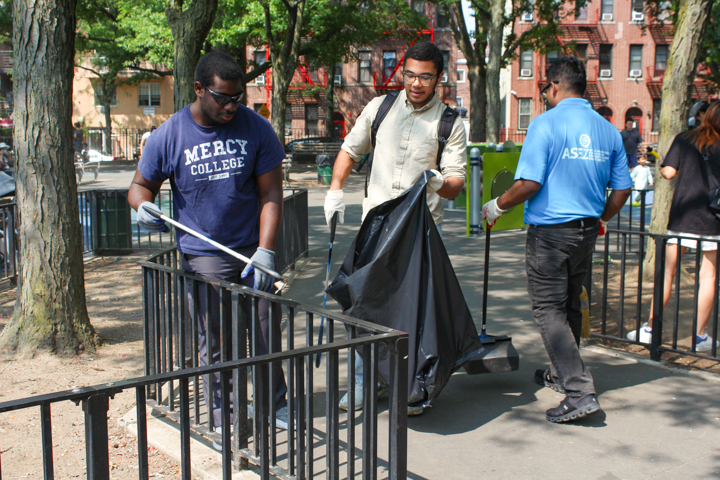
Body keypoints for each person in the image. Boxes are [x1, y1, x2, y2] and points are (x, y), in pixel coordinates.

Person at [127, 51, 289, 437]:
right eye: (223, 98)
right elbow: (139, 186)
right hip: (204, 255)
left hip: (252, 249)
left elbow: (271, 193)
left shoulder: (257, 128)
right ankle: (224, 414)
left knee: (267, 330)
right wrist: (143, 206)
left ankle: (275, 405)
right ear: (199, 89)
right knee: (216, 338)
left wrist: (265, 251)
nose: (232, 106)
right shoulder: (171, 134)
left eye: (238, 98)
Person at [482, 56, 632, 423]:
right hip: (585, 232)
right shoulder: (608, 130)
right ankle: (562, 374)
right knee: (569, 306)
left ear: (553, 86)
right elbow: (623, 188)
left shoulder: (545, 124)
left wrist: (497, 205)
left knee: (549, 310)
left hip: (551, 234)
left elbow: (530, 183)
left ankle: (579, 392)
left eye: (545, 89)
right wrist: (602, 218)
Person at [323, 41, 467, 416]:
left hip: (419, 234)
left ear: (439, 79)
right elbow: (350, 150)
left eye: (425, 77)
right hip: (376, 226)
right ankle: (362, 384)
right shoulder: (380, 107)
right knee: (362, 307)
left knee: (413, 313)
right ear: (402, 72)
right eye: (410, 74)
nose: (416, 83)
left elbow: (456, 182)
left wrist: (437, 182)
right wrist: (336, 190)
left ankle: (410, 387)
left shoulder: (450, 123)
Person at [627, 101, 720, 352]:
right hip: (714, 219)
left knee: (667, 273)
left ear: (704, 116)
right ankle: (699, 336)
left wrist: (662, 162)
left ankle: (650, 329)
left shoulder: (685, 139)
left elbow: (668, 173)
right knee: (708, 276)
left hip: (683, 215)